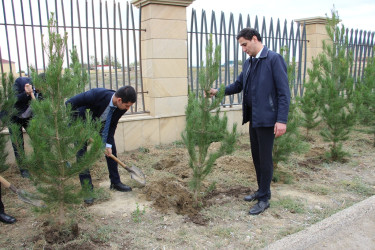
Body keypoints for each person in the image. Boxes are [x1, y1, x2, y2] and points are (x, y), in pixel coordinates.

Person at [209, 28, 290, 215]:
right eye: (241, 46)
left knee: (265, 158)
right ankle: (261, 190)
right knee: (256, 157)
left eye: (245, 44)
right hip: (254, 118)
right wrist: (218, 91)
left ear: (255, 39)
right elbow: (238, 85)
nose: (243, 49)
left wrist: (282, 120)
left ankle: (264, 198)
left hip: (269, 119)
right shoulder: (249, 63)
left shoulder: (273, 59)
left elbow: (283, 93)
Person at [66, 86, 137, 204]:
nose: (127, 108)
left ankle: (115, 182)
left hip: (99, 125)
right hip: (81, 124)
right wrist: (76, 125)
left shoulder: (122, 107)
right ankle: (87, 190)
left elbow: (112, 125)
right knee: (82, 156)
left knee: (111, 149)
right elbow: (69, 103)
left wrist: (107, 144)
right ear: (119, 100)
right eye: (127, 105)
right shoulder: (96, 94)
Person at [10, 75, 43, 178]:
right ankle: (23, 170)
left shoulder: (41, 92)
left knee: (37, 140)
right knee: (18, 144)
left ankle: (40, 166)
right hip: (14, 117)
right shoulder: (21, 82)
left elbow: (40, 107)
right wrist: (26, 94)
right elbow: (12, 100)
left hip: (28, 118)